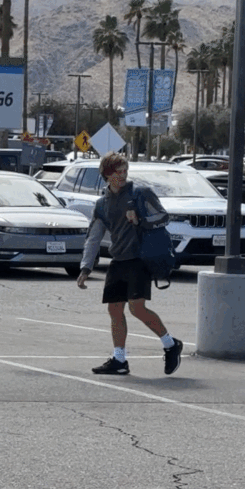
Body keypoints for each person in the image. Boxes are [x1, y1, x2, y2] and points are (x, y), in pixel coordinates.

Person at [76, 151, 183, 376]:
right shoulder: (102, 204)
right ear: (107, 175)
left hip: (139, 259)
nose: (123, 176)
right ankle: (119, 360)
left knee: (137, 308)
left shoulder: (141, 194)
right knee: (115, 309)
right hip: (118, 260)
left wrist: (141, 220)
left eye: (125, 171)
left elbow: (163, 217)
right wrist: (86, 268)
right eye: (118, 172)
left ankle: (170, 344)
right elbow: (94, 237)